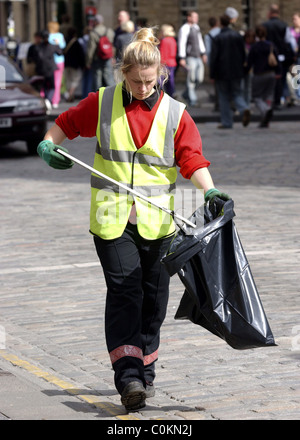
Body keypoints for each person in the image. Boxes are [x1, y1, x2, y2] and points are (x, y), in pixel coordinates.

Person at [36, 27, 230, 412]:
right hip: (112, 220)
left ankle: (146, 367)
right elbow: (65, 124)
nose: (143, 87)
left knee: (154, 300)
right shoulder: (102, 102)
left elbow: (192, 158)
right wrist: (47, 145)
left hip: (159, 224)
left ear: (161, 73)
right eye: (136, 80)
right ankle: (128, 376)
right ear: (122, 73)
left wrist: (209, 189)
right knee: (126, 291)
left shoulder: (176, 113)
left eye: (150, 80)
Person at [210, 14, 250, 129]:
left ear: (221, 23)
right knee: (237, 93)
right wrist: (243, 68)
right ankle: (244, 108)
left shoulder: (218, 38)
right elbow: (243, 54)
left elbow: (214, 57)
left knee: (223, 97)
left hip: (222, 72)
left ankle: (227, 122)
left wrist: (212, 73)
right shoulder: (237, 36)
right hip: (237, 70)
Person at [262, 4, 297, 107]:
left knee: (270, 78)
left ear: (270, 13)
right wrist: (292, 54)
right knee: (282, 78)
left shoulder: (265, 25)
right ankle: (282, 98)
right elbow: (290, 41)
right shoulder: (284, 25)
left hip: (268, 56)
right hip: (282, 56)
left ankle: (273, 99)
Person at [246, 25, 280, 128]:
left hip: (259, 74)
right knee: (268, 96)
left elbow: (249, 62)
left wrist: (245, 71)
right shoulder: (271, 45)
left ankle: (266, 111)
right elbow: (277, 60)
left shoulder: (254, 47)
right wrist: (279, 72)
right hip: (271, 74)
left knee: (257, 97)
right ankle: (265, 120)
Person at [178, 11, 207, 106]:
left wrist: (203, 53)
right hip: (189, 57)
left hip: (198, 56)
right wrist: (181, 57)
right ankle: (193, 100)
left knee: (199, 78)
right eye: (195, 17)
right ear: (188, 18)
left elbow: (200, 41)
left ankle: (186, 94)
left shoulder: (196, 27)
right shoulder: (184, 28)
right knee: (191, 79)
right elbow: (182, 43)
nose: (197, 19)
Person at [29, 29, 63, 108]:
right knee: (51, 86)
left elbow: (32, 58)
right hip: (50, 69)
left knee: (43, 86)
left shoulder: (37, 47)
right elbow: (60, 53)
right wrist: (57, 44)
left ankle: (46, 99)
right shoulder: (52, 46)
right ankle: (48, 99)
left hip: (40, 69)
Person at [86, 14, 115, 90]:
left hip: (97, 58)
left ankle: (98, 97)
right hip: (108, 57)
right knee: (109, 77)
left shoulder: (93, 33)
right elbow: (112, 45)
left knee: (97, 79)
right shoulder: (109, 31)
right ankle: (112, 94)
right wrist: (113, 57)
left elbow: (91, 49)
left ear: (95, 22)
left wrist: (88, 62)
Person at [63, 27, 85, 102]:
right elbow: (80, 54)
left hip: (66, 64)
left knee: (68, 80)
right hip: (75, 65)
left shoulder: (64, 41)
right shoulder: (76, 42)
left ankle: (69, 95)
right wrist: (83, 65)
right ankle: (70, 94)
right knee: (75, 81)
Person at [48, 21, 66, 108]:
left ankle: (49, 98)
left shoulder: (48, 36)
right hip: (59, 61)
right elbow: (63, 46)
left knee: (50, 81)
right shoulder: (60, 36)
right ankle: (55, 100)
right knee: (58, 81)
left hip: (50, 61)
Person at [158, 24, 177, 97]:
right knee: (170, 82)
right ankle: (171, 95)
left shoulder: (164, 40)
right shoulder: (173, 40)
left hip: (165, 63)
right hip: (172, 63)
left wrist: (160, 64)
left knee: (161, 82)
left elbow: (162, 53)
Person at [79, 26, 93, 99]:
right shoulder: (92, 38)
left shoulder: (81, 40)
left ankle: (84, 95)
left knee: (84, 79)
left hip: (83, 61)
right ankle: (88, 95)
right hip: (90, 61)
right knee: (90, 79)